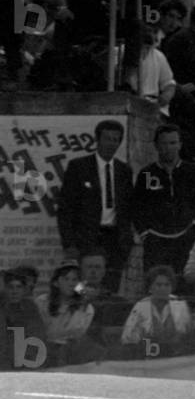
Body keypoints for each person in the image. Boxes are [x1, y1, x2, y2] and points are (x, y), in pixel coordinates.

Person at [56, 120, 134, 289]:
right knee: (80, 287)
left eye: (116, 139)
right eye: (107, 138)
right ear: (97, 139)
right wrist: (69, 243)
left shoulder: (124, 170)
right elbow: (65, 209)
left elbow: (128, 208)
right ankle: (81, 314)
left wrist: (127, 242)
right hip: (85, 238)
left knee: (110, 286)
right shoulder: (79, 167)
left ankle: (105, 315)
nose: (111, 143)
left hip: (115, 239)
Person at [131, 124, 195, 273]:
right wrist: (145, 233)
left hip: (187, 239)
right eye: (164, 143)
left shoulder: (193, 171)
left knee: (187, 287)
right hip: (156, 243)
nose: (168, 147)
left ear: (180, 145)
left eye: (173, 143)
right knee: (156, 285)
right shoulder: (148, 174)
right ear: (156, 145)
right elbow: (137, 207)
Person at [119, 265, 192, 350]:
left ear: (172, 287)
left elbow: (188, 336)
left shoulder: (180, 305)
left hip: (177, 354)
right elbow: (127, 338)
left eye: (167, 285)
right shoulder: (140, 307)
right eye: (159, 285)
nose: (163, 288)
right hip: (147, 355)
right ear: (150, 288)